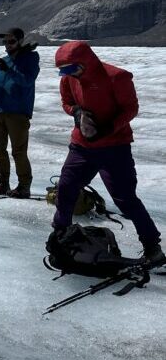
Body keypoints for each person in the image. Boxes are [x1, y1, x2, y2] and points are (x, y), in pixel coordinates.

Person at [51, 41, 163, 263]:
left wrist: (108, 129)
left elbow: (131, 109)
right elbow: (66, 102)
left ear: (85, 62)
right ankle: (60, 234)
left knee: (125, 199)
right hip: (82, 147)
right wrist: (75, 112)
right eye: (63, 70)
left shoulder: (117, 77)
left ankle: (153, 247)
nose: (67, 74)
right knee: (65, 188)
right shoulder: (69, 79)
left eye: (71, 68)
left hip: (114, 148)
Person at [0, 27, 40, 197]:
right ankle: (3, 183)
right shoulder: (3, 61)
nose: (7, 45)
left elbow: (27, 81)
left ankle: (24, 186)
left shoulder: (30, 58)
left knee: (18, 151)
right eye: (5, 42)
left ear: (20, 41)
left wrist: (8, 69)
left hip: (18, 113)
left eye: (11, 41)